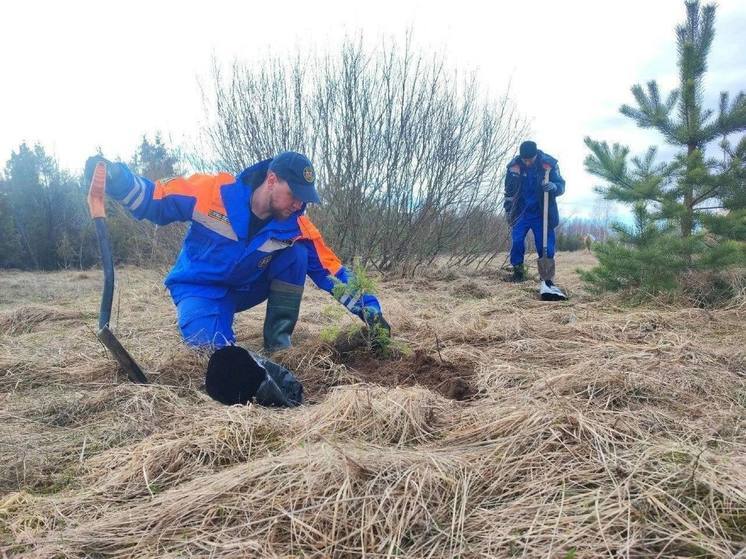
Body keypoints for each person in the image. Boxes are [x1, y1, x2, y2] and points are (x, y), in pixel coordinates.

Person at [84, 151, 390, 355]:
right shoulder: (213, 192)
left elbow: (334, 275)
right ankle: (221, 340)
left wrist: (372, 313)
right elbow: (154, 198)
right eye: (294, 195)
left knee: (295, 255)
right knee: (212, 352)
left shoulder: (298, 226)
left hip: (246, 286)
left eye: (304, 199)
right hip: (201, 288)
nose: (300, 204)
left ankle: (277, 347)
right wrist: (118, 180)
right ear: (272, 180)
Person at [503, 140, 566, 284]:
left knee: (546, 247)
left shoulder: (548, 165)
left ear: (535, 155)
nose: (527, 163)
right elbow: (508, 192)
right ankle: (518, 273)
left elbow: (561, 185)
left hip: (542, 214)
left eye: (530, 160)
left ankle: (547, 279)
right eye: (525, 160)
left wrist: (554, 187)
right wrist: (508, 211)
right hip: (520, 213)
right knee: (517, 242)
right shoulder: (514, 168)